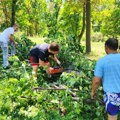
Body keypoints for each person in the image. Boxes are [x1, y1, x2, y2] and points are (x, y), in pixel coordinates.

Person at [91, 38, 120, 120]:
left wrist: (93, 91)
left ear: (106, 47)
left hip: (112, 95)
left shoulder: (102, 61)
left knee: (112, 117)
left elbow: (96, 81)